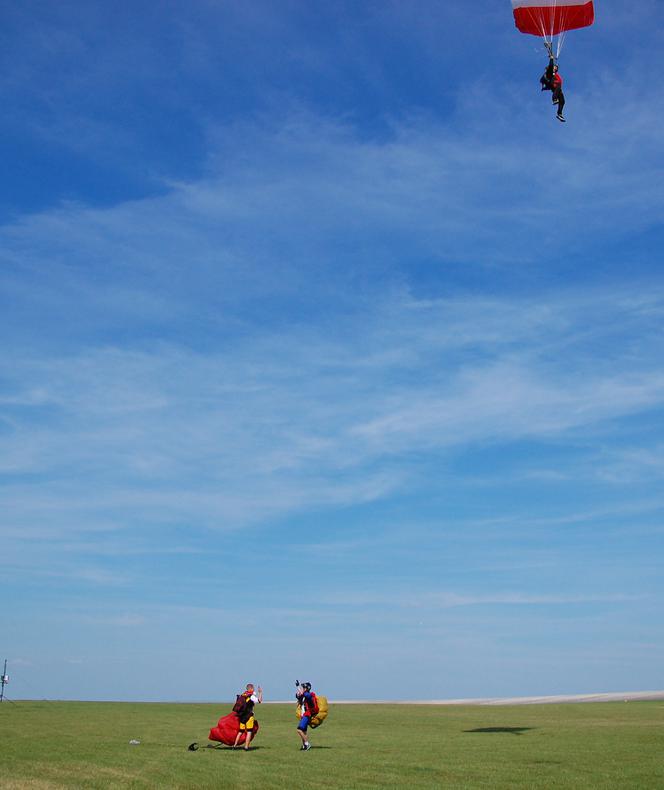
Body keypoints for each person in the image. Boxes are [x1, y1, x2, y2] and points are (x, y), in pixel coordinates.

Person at [232, 683, 263, 750]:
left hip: (242, 716)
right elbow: (259, 701)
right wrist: (260, 693)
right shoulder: (251, 696)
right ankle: (246, 747)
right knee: (249, 731)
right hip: (249, 716)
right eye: (253, 688)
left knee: (240, 732)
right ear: (251, 689)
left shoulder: (243, 695)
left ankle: (234, 746)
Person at [540, 55, 566, 122]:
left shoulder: (556, 74)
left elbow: (549, 87)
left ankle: (559, 114)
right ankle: (554, 99)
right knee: (558, 87)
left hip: (556, 88)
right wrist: (551, 59)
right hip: (553, 85)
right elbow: (551, 66)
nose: (555, 68)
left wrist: (544, 88)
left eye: (556, 68)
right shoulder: (550, 72)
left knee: (562, 101)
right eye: (555, 67)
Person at [295, 681, 317, 751]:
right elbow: (299, 696)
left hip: (307, 715)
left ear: (307, 688)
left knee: (299, 730)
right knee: (304, 732)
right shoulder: (304, 696)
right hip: (304, 716)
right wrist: (298, 689)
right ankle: (304, 745)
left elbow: (306, 695)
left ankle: (307, 744)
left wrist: (299, 689)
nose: (303, 689)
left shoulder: (309, 695)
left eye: (303, 688)